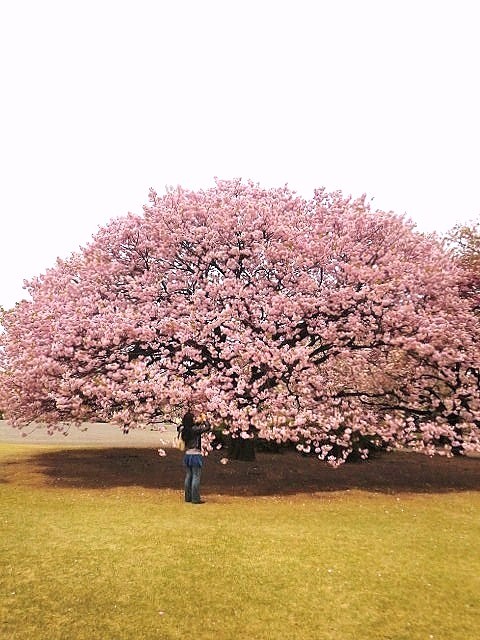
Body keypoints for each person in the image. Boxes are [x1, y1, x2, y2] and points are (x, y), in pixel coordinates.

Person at [179, 411, 210, 504]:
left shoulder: (184, 429)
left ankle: (187, 497)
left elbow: (191, 425)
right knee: (196, 476)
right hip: (195, 455)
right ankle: (195, 498)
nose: (194, 419)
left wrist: (198, 421)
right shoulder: (195, 430)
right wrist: (205, 420)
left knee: (188, 476)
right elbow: (207, 427)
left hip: (188, 454)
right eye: (193, 418)